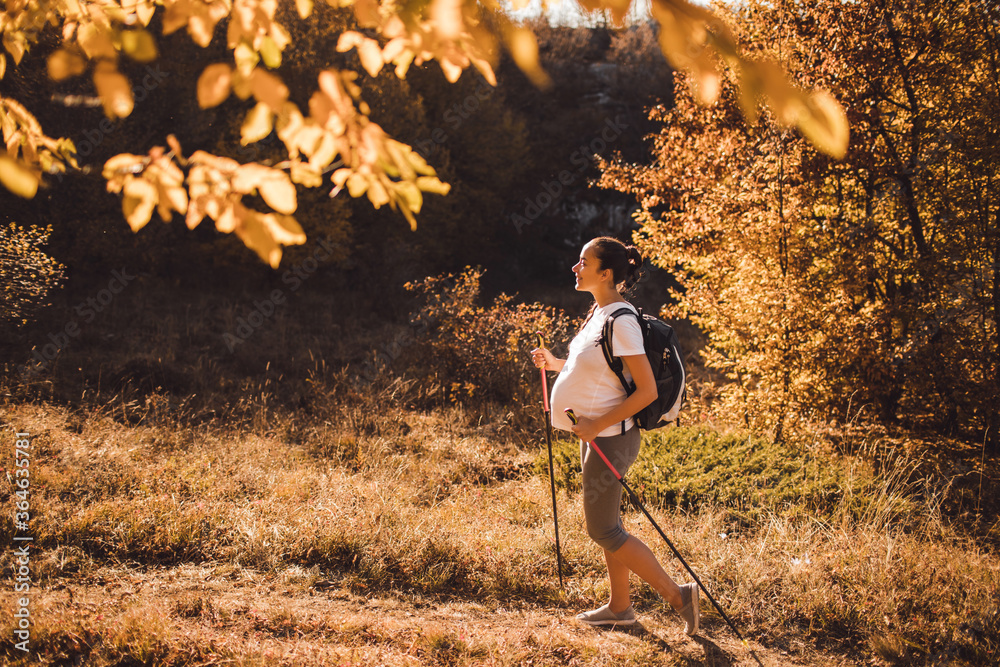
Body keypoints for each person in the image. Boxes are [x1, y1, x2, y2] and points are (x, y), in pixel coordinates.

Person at [531, 236, 699, 634]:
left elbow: (647, 391)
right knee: (611, 526)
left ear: (605, 273)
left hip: (612, 438)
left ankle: (679, 596)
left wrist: (594, 425)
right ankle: (620, 608)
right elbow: (594, 369)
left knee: (603, 529)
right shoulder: (599, 313)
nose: (575, 268)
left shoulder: (620, 321)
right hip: (597, 435)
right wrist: (554, 363)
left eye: (583, 262)